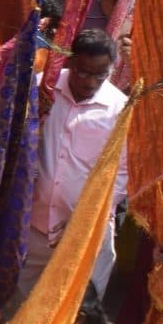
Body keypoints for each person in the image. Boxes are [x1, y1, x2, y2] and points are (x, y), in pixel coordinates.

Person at [17, 29, 128, 301]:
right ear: (71, 62)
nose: (89, 82)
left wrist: (87, 217)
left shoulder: (120, 109)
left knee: (75, 309)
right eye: (83, 72)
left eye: (99, 75)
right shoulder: (43, 89)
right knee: (19, 303)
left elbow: (123, 172)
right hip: (32, 228)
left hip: (85, 236)